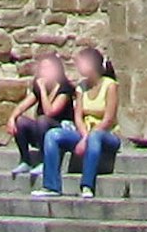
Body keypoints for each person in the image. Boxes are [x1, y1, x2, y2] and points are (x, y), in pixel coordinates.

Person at [40, 42, 122, 197]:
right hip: (85, 132)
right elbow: (78, 116)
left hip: (106, 134)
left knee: (95, 136)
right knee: (53, 135)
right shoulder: (81, 87)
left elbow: (109, 119)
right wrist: (84, 136)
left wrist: (88, 137)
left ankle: (87, 185)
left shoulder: (110, 85)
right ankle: (51, 185)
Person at [6, 51, 72, 172]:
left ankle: (45, 161)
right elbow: (22, 106)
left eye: (48, 68)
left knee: (42, 120)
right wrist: (12, 118)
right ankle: (25, 160)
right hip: (42, 131)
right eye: (42, 68)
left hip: (59, 131)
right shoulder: (39, 87)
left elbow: (50, 112)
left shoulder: (64, 89)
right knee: (20, 121)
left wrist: (42, 90)